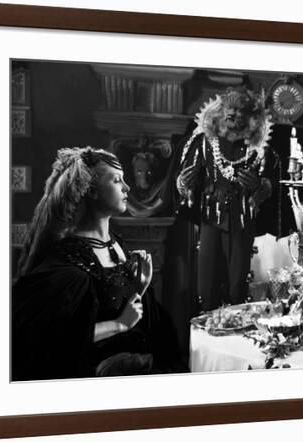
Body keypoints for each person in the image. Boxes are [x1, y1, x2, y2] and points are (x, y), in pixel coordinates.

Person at [12, 147, 184, 381]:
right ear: (91, 191)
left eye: (124, 179)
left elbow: (121, 304)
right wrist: (118, 325)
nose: (127, 187)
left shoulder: (115, 244)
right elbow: (51, 338)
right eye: (116, 180)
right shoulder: (69, 262)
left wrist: (141, 285)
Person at [175, 87, 295, 311]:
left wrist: (259, 186)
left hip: (242, 219)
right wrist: (184, 181)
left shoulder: (260, 148)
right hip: (210, 216)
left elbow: (272, 186)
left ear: (250, 116)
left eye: (238, 111)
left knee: (237, 285)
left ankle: (235, 328)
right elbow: (184, 183)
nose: (232, 114)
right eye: (228, 109)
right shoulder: (204, 142)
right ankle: (209, 328)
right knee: (206, 283)